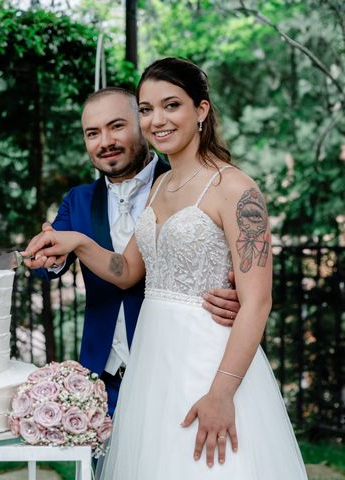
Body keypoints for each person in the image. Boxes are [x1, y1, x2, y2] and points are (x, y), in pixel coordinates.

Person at [23, 58, 307, 478]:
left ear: (202, 111)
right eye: (146, 109)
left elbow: (257, 301)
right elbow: (127, 271)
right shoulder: (160, 186)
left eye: (171, 105)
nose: (157, 120)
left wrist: (222, 393)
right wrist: (79, 242)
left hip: (208, 364)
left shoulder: (236, 189)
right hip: (153, 365)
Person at [27, 86, 240, 416]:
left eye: (116, 126)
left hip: (177, 365)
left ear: (143, 124)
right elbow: (47, 263)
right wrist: (47, 258)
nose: (105, 142)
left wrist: (235, 290)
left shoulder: (188, 184)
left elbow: (231, 259)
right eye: (92, 133)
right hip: (102, 376)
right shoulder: (78, 199)